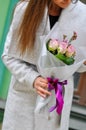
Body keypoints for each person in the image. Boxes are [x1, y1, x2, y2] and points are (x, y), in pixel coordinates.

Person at [1, 0, 86, 130]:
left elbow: (77, 64)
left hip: (55, 101)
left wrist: (83, 63)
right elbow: (8, 56)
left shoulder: (82, 15)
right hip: (24, 98)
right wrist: (32, 78)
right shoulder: (24, 9)